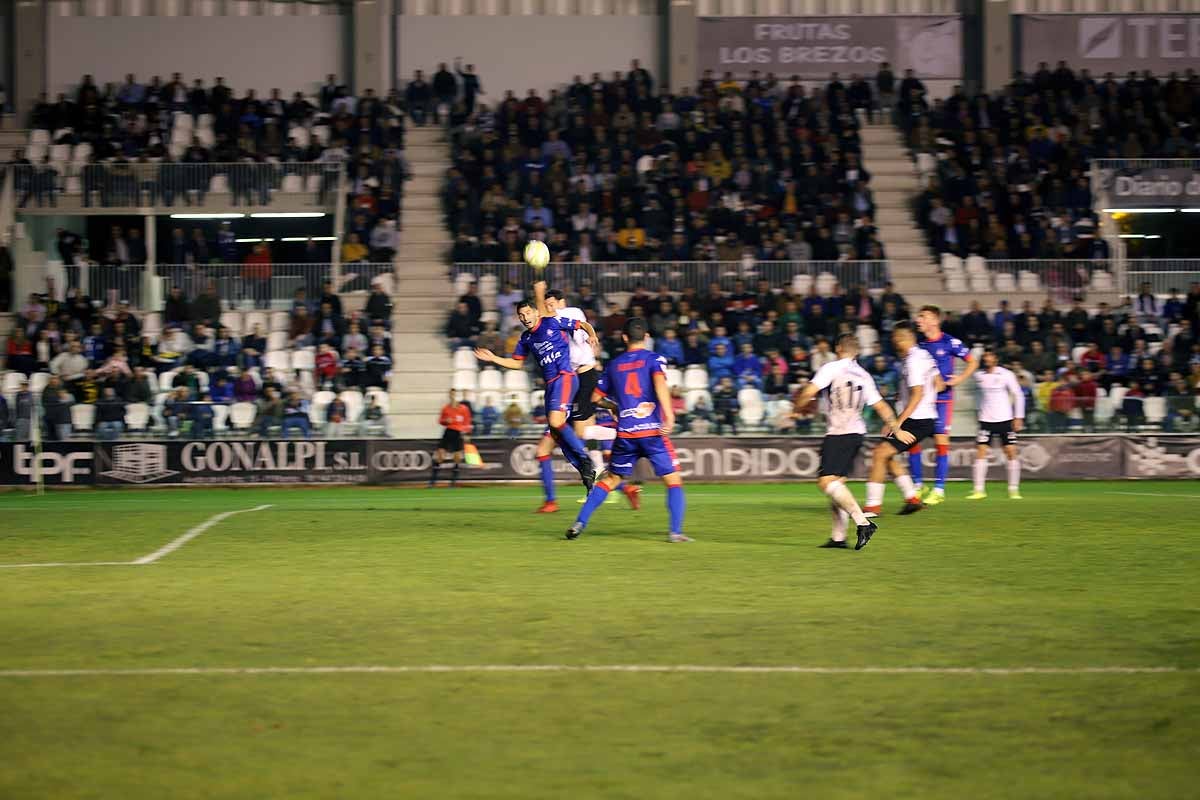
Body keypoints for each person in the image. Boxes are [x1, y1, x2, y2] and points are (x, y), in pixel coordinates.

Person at [565, 318, 690, 543]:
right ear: (647, 337)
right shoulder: (655, 359)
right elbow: (660, 384)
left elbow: (595, 398)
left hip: (626, 433)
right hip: (652, 432)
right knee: (673, 481)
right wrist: (669, 416)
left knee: (611, 479)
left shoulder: (614, 365)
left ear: (624, 338)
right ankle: (675, 532)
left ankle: (580, 522)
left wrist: (614, 406)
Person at [791, 333, 911, 550]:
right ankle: (838, 538)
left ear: (838, 348)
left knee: (826, 482)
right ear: (857, 352)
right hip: (856, 434)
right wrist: (896, 428)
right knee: (837, 484)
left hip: (839, 434)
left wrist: (796, 409)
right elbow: (882, 406)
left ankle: (863, 522)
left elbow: (809, 391)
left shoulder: (831, 368)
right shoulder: (864, 375)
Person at [530, 281, 640, 512]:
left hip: (582, 377)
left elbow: (544, 315)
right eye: (547, 304)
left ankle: (622, 433)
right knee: (543, 450)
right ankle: (551, 501)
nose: (549, 308)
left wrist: (539, 294)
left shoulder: (572, 312)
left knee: (581, 435)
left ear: (561, 303)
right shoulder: (553, 322)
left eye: (552, 304)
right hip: (568, 384)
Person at [475, 299, 599, 495]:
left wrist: (591, 335)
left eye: (527, 313)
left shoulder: (552, 322)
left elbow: (582, 324)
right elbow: (517, 363)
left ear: (535, 313)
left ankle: (585, 459)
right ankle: (585, 470)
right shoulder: (525, 339)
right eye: (521, 315)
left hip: (565, 377)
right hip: (551, 386)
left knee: (556, 422)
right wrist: (493, 358)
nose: (525, 318)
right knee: (557, 434)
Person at [863, 322, 942, 517]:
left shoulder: (914, 361)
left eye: (894, 338)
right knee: (886, 456)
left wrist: (898, 422)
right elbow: (939, 384)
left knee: (880, 454)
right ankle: (912, 500)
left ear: (901, 338)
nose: (893, 342)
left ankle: (872, 507)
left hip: (917, 418)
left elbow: (917, 394)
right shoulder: (923, 356)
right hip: (921, 416)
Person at [912, 304, 977, 505]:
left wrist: (958, 380)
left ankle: (939, 489)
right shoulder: (919, 345)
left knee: (941, 442)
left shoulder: (950, 342)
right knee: (912, 441)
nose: (918, 320)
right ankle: (917, 485)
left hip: (943, 400)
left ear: (934, 320)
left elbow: (972, 362)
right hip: (923, 400)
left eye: (923, 316)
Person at [967, 350, 1025, 501]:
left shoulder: (1006, 374)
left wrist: (1018, 416)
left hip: (1005, 419)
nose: (987, 359)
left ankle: (1013, 490)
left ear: (996, 358)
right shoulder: (979, 375)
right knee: (981, 451)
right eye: (985, 357)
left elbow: (1018, 394)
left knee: (1011, 451)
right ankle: (979, 490)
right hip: (986, 420)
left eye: (990, 356)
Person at [429, 389, 472, 488]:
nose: (453, 396)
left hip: (458, 433)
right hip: (448, 432)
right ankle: (432, 481)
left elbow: (467, 422)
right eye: (451, 394)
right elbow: (440, 421)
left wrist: (467, 434)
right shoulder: (445, 408)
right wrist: (446, 421)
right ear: (449, 396)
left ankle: (453, 482)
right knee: (440, 456)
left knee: (457, 457)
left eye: (454, 394)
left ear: (457, 395)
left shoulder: (463, 408)